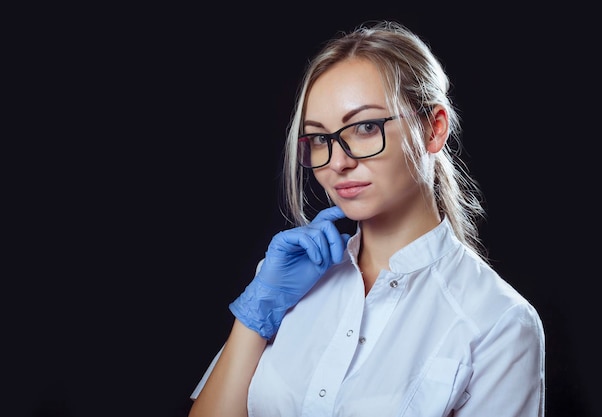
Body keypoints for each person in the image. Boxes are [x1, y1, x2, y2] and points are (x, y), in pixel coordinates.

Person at [188, 20, 545, 417]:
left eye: (365, 127)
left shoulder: (499, 322)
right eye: (320, 138)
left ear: (433, 129)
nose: (338, 161)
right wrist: (254, 319)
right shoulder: (282, 282)